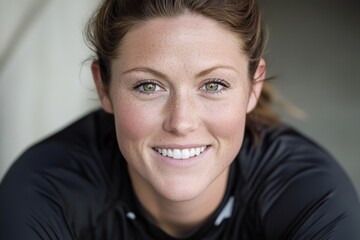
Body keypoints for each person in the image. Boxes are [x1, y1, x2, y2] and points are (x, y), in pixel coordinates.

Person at [1, 0, 359, 239]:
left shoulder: (310, 195)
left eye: (214, 84)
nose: (181, 122)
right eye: (148, 86)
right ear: (104, 88)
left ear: (253, 87)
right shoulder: (43, 189)